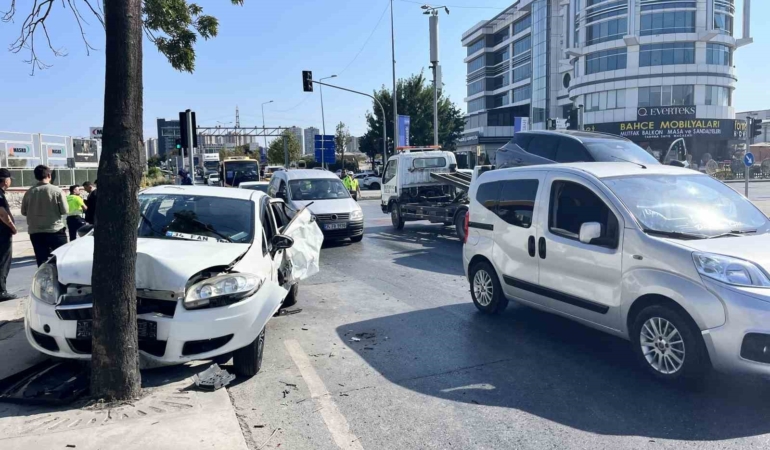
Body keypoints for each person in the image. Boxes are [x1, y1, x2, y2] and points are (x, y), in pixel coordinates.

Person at [22, 165, 69, 266]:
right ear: (49, 175)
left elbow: (23, 212)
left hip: (36, 232)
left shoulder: (29, 192)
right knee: (62, 262)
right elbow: (65, 210)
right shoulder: (57, 191)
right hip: (55, 230)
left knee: (42, 263)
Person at [0, 169, 18, 301]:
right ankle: (1, 291)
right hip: (2, 234)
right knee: (3, 261)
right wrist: (12, 227)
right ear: (5, 181)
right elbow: (2, 213)